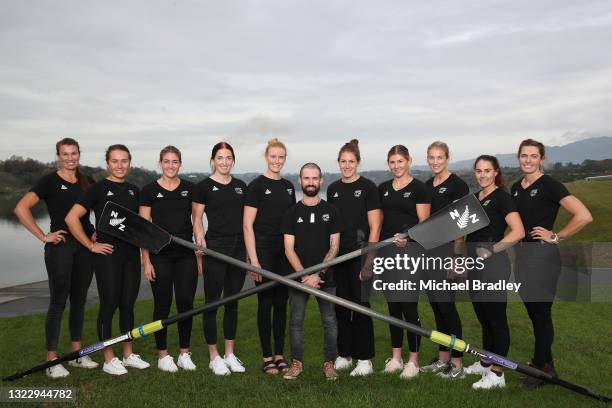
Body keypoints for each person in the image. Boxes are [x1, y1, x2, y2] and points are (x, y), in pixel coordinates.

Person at [511, 139, 592, 389]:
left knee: (542, 314)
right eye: (524, 155)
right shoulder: (516, 187)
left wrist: (556, 236)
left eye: (533, 156)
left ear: (542, 159)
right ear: (518, 158)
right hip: (523, 257)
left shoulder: (550, 185)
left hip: (544, 258)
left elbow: (584, 216)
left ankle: (539, 368)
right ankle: (548, 368)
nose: (528, 160)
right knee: (534, 314)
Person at [13, 138, 97, 378]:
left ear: (79, 154)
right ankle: (51, 360)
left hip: (84, 247)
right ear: (59, 156)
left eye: (74, 153)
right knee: (58, 302)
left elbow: (89, 217)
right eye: (65, 154)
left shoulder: (87, 181)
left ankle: (77, 355)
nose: (70, 158)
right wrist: (43, 236)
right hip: (60, 247)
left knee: (79, 301)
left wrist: (95, 234)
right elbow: (21, 208)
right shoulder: (49, 181)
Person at [65, 144, 150, 376]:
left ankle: (128, 354)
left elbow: (141, 228)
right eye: (115, 161)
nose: (120, 165)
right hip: (107, 257)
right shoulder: (98, 189)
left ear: (130, 162)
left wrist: (146, 258)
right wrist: (91, 244)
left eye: (124, 161)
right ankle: (108, 358)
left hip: (130, 256)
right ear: (108, 163)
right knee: (109, 304)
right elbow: (71, 218)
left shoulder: (135, 190)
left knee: (127, 306)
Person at [464, 155, 525, 389]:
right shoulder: (475, 199)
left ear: (496, 172)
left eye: (487, 171)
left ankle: (498, 373)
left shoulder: (503, 198)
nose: (482, 175)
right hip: (474, 265)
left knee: (497, 319)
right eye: (478, 171)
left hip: (494, 266)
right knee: (484, 318)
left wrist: (493, 249)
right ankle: (486, 362)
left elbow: (518, 231)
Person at [139, 146, 198, 373]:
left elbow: (197, 222)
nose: (171, 165)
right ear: (160, 163)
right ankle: (163, 355)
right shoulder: (149, 191)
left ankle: (184, 353)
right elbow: (143, 230)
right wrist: (146, 261)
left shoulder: (190, 189)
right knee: (162, 305)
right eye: (166, 161)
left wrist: (199, 251)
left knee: (186, 305)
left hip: (185, 256)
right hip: (159, 256)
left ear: (180, 164)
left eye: (175, 162)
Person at [281, 163, 341, 381]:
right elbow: (288, 248)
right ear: (300, 180)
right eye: (306, 178)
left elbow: (334, 247)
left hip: (326, 278)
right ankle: (296, 363)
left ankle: (329, 363)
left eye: (315, 178)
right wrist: (305, 276)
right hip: (299, 279)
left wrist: (319, 275)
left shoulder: (332, 211)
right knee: (296, 322)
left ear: (321, 180)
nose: (311, 182)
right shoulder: (291, 213)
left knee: (330, 321)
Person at [327, 139, 381, 376]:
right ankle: (345, 354)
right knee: (341, 307)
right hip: (340, 257)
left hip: (361, 256)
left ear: (358, 162)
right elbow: (332, 227)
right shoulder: (333, 189)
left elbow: (376, 227)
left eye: (351, 161)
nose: (347, 166)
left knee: (361, 307)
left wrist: (369, 262)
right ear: (338, 163)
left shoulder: (368, 187)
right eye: (343, 161)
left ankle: (365, 359)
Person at [193, 142, 248, 376]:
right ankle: (214, 356)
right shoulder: (203, 187)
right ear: (213, 160)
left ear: (233, 160)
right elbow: (197, 220)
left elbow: (246, 221)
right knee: (212, 303)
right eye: (220, 157)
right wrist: (200, 242)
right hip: (215, 248)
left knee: (232, 303)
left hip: (238, 248)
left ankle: (229, 353)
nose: (224, 162)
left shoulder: (240, 186)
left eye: (228, 158)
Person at [243, 139, 296, 375]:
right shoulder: (255, 185)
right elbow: (247, 225)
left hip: (284, 252)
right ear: (266, 157)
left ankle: (280, 355)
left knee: (281, 304)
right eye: (273, 156)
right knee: (265, 304)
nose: (277, 161)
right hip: (262, 251)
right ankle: (267, 358)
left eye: (281, 157)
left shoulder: (288, 186)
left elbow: (293, 224)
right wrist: (253, 260)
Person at [377, 145, 430, 379]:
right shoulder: (383, 189)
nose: (396, 166)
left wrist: (407, 237)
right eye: (392, 162)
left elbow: (424, 223)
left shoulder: (419, 188)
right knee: (393, 308)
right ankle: (396, 358)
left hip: (410, 254)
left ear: (408, 161)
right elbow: (379, 223)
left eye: (400, 161)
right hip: (388, 255)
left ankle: (413, 361)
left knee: (409, 307)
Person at [422, 141, 469, 378]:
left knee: (448, 308)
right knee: (437, 308)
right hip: (430, 255)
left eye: (439, 157)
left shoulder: (457, 185)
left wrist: (457, 259)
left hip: (448, 255)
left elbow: (462, 226)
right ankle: (443, 359)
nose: (435, 162)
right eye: (431, 157)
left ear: (448, 158)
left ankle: (458, 363)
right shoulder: (427, 185)